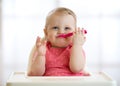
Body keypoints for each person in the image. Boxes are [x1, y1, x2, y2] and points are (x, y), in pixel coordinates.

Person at [27, 7, 89, 76]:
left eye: (67, 28)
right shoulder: (43, 49)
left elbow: (76, 68)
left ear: (74, 32)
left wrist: (77, 45)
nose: (61, 32)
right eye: (55, 28)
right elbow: (36, 74)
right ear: (46, 32)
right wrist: (40, 55)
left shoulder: (75, 48)